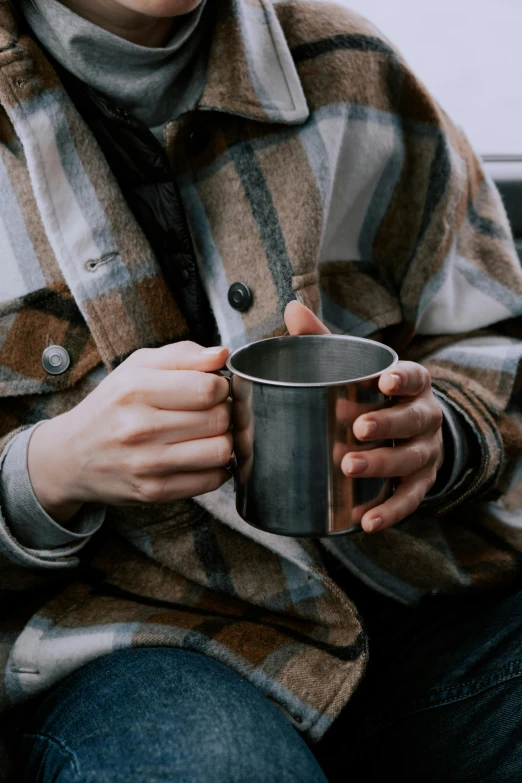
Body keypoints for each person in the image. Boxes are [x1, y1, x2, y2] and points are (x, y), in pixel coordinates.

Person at [0, 0, 521, 780]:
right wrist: (50, 472)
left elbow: (491, 339)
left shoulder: (353, 68)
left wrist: (443, 431)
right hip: (131, 644)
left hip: (408, 601)